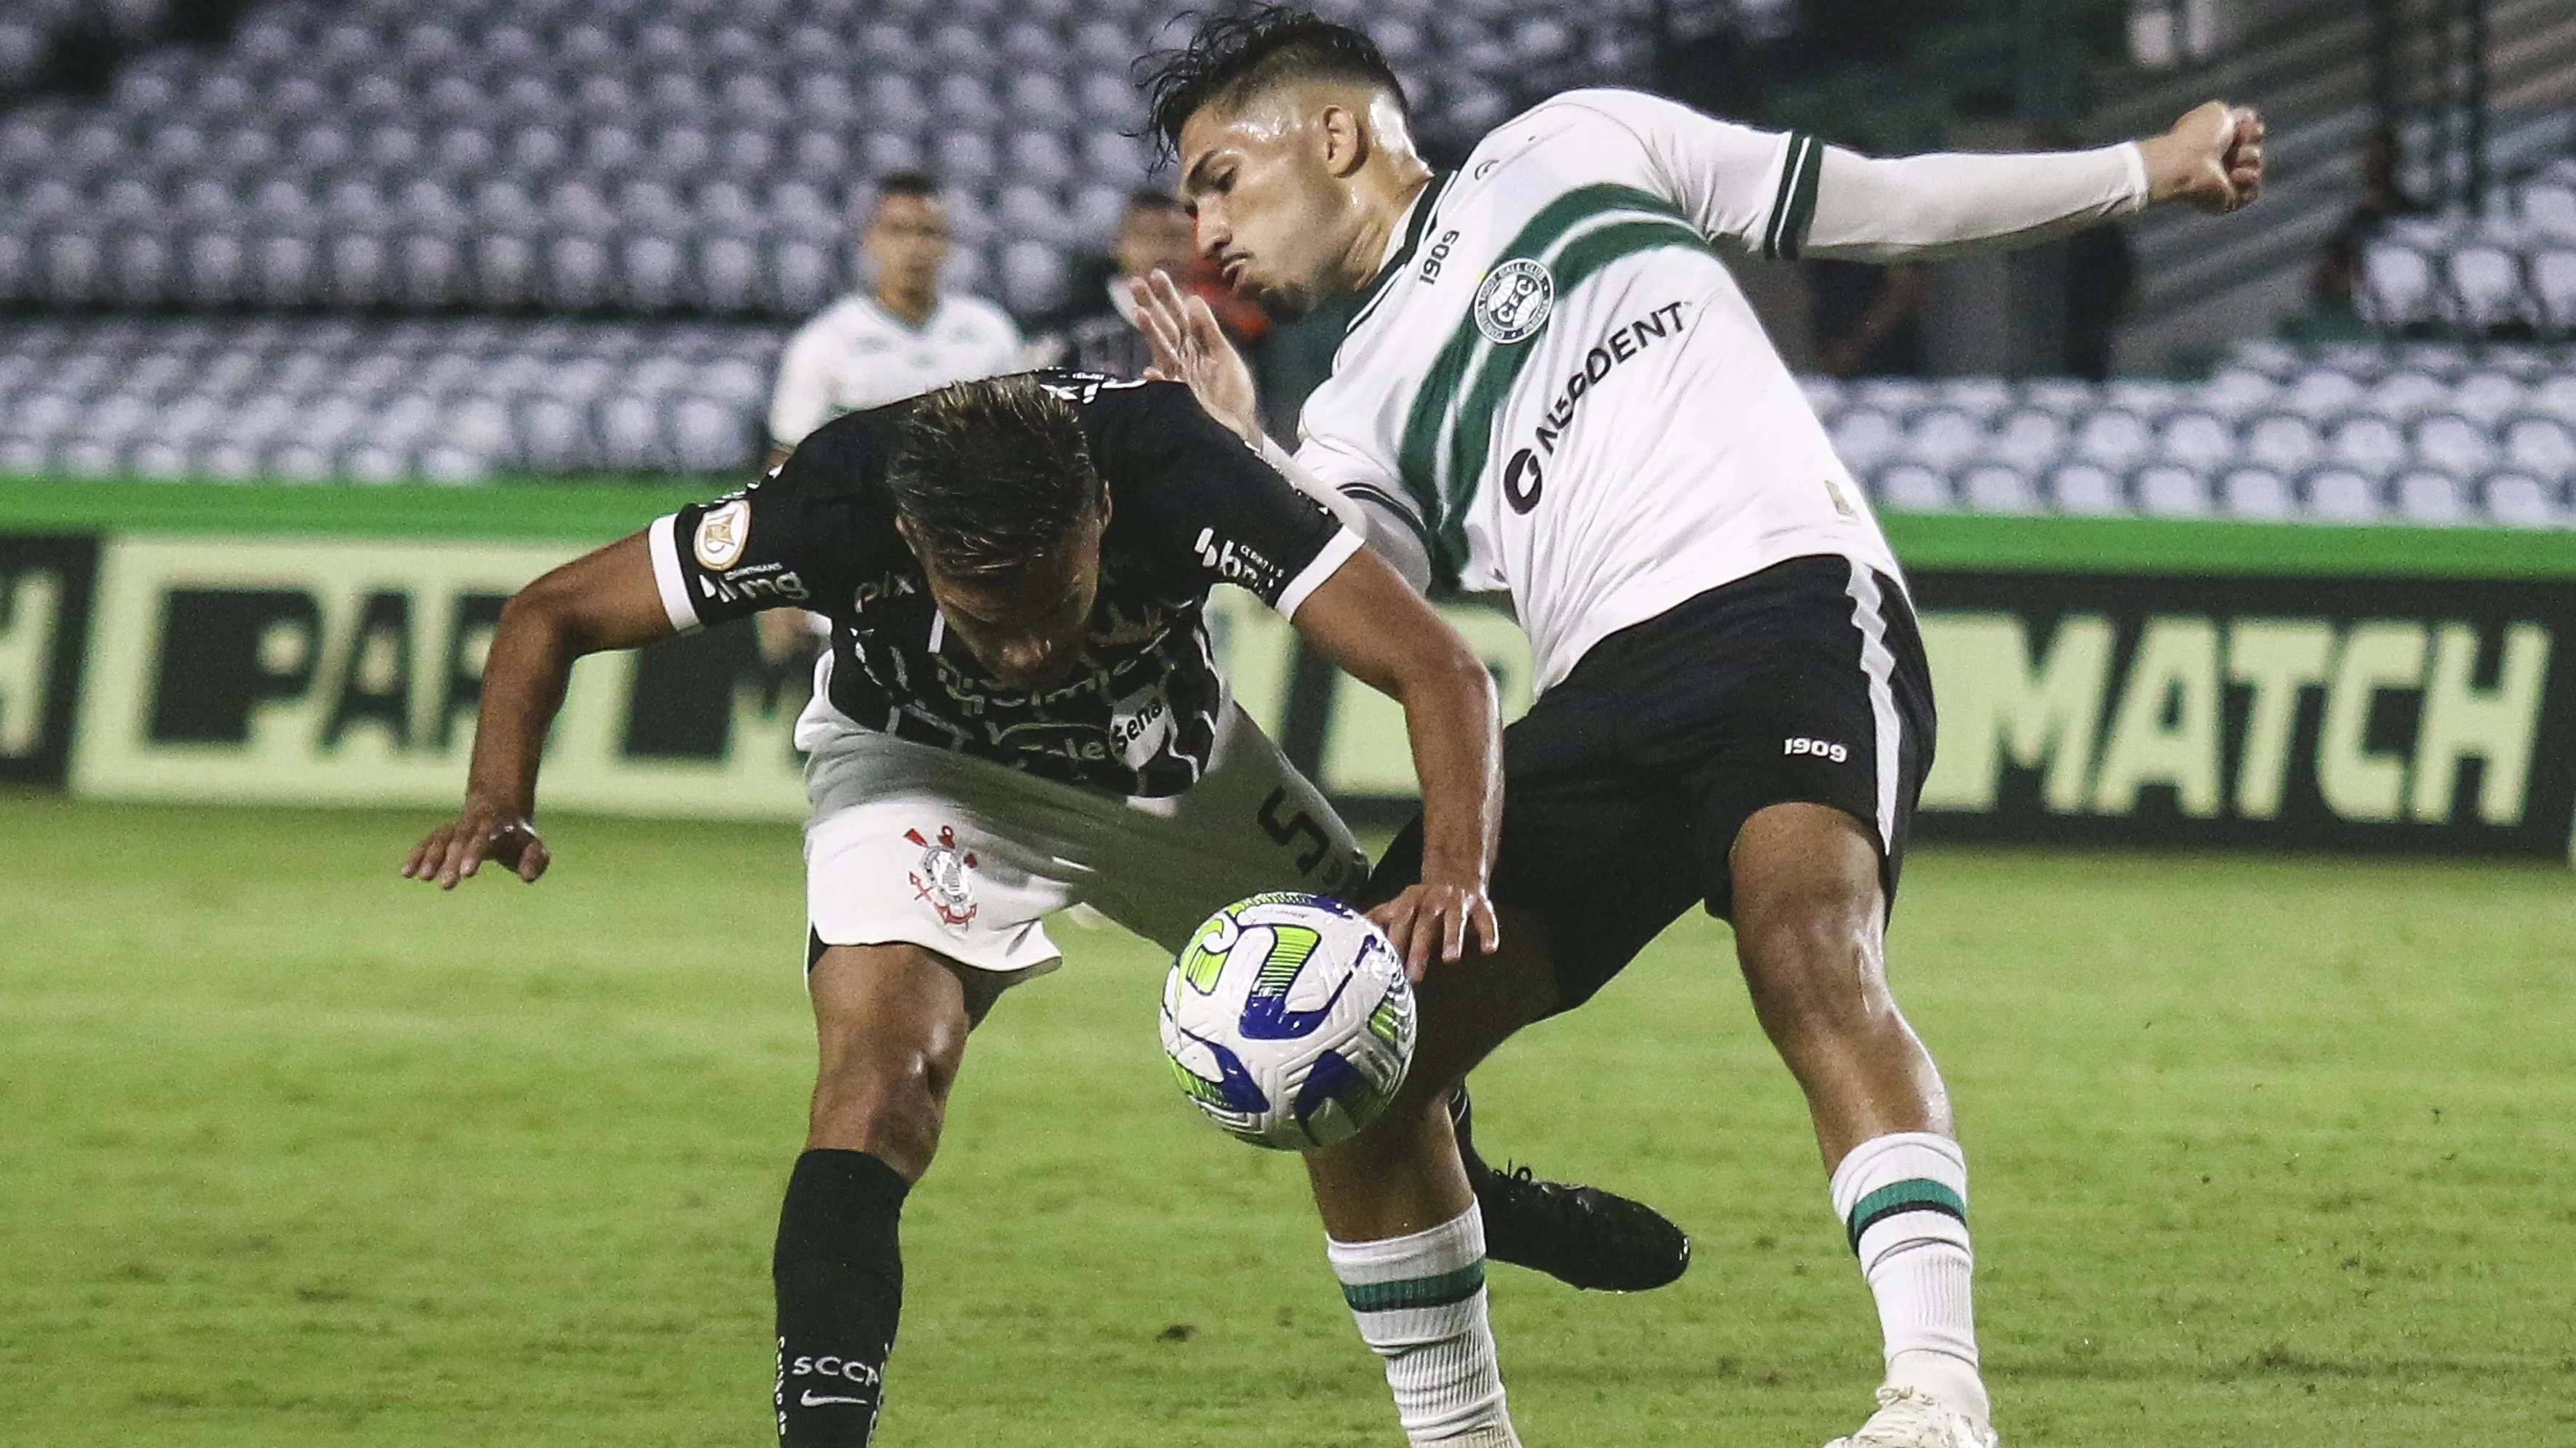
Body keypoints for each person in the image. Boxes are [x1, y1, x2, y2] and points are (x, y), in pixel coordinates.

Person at [1131, 10, 2263, 1447]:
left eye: (1218, 176)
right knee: (1370, 1045)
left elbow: (1873, 200)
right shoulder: (1355, 410)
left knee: (1807, 945)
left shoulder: (1575, 143)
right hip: (1599, 695)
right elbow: (1371, 607)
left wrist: (2144, 168)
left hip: (1785, 596)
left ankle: (1935, 1399)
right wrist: (1245, 460)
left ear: (1335, 134)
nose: (1201, 229)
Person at [398, 370, 1661, 1447]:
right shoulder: (833, 500)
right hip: (917, 773)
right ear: (910, 539)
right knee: (879, 1083)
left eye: (1051, 605)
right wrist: (496, 794)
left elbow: (1437, 665)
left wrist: (1452, 867)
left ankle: (1475, 1195)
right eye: (983, 617)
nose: (1022, 654)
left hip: (1169, 773)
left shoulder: (1174, 462)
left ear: (1101, 512)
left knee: (1379, 1041)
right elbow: (549, 611)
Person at [765, 172, 1022, 468]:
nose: (914, 247)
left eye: (928, 232)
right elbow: (786, 457)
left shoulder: (990, 330)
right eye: (897, 231)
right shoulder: (825, 340)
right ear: (871, 239)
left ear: (948, 243)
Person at [1027, 190, 1263, 379]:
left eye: (1174, 237)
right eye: (1146, 237)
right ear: (1118, 245)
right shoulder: (1068, 329)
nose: (1161, 250)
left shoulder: (1219, 335)